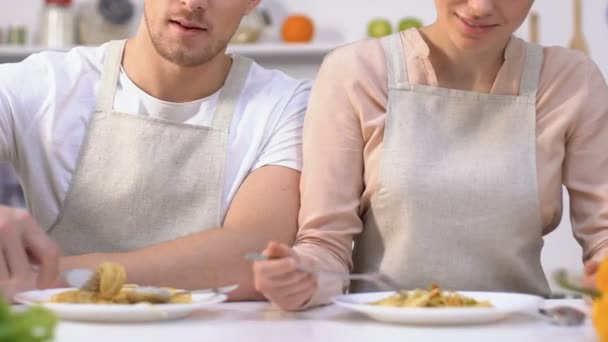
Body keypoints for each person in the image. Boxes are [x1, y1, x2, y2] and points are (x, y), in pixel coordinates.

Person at [253, 0, 608, 311]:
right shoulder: (355, 72)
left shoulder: (570, 82)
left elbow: (603, 238)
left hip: (521, 329)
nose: (480, 6)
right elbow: (325, 246)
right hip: (382, 331)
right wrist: (302, 277)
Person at [0, 0, 310, 301]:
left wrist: (50, 275)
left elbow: (252, 256)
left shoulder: (284, 105)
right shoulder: (47, 85)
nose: (193, 3)